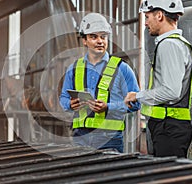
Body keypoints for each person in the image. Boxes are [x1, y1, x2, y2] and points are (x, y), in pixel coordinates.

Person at [124, 0, 192, 158]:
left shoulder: (168, 45)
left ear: (159, 15)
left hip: (168, 129)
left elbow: (171, 91)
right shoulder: (184, 45)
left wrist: (138, 96)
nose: (145, 22)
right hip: (175, 128)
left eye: (147, 16)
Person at [59, 12, 140, 153]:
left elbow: (136, 103)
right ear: (84, 40)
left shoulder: (122, 68)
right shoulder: (74, 69)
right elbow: (63, 98)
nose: (100, 41)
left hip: (110, 138)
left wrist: (108, 107)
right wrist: (70, 104)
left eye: (103, 37)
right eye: (93, 37)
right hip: (80, 137)